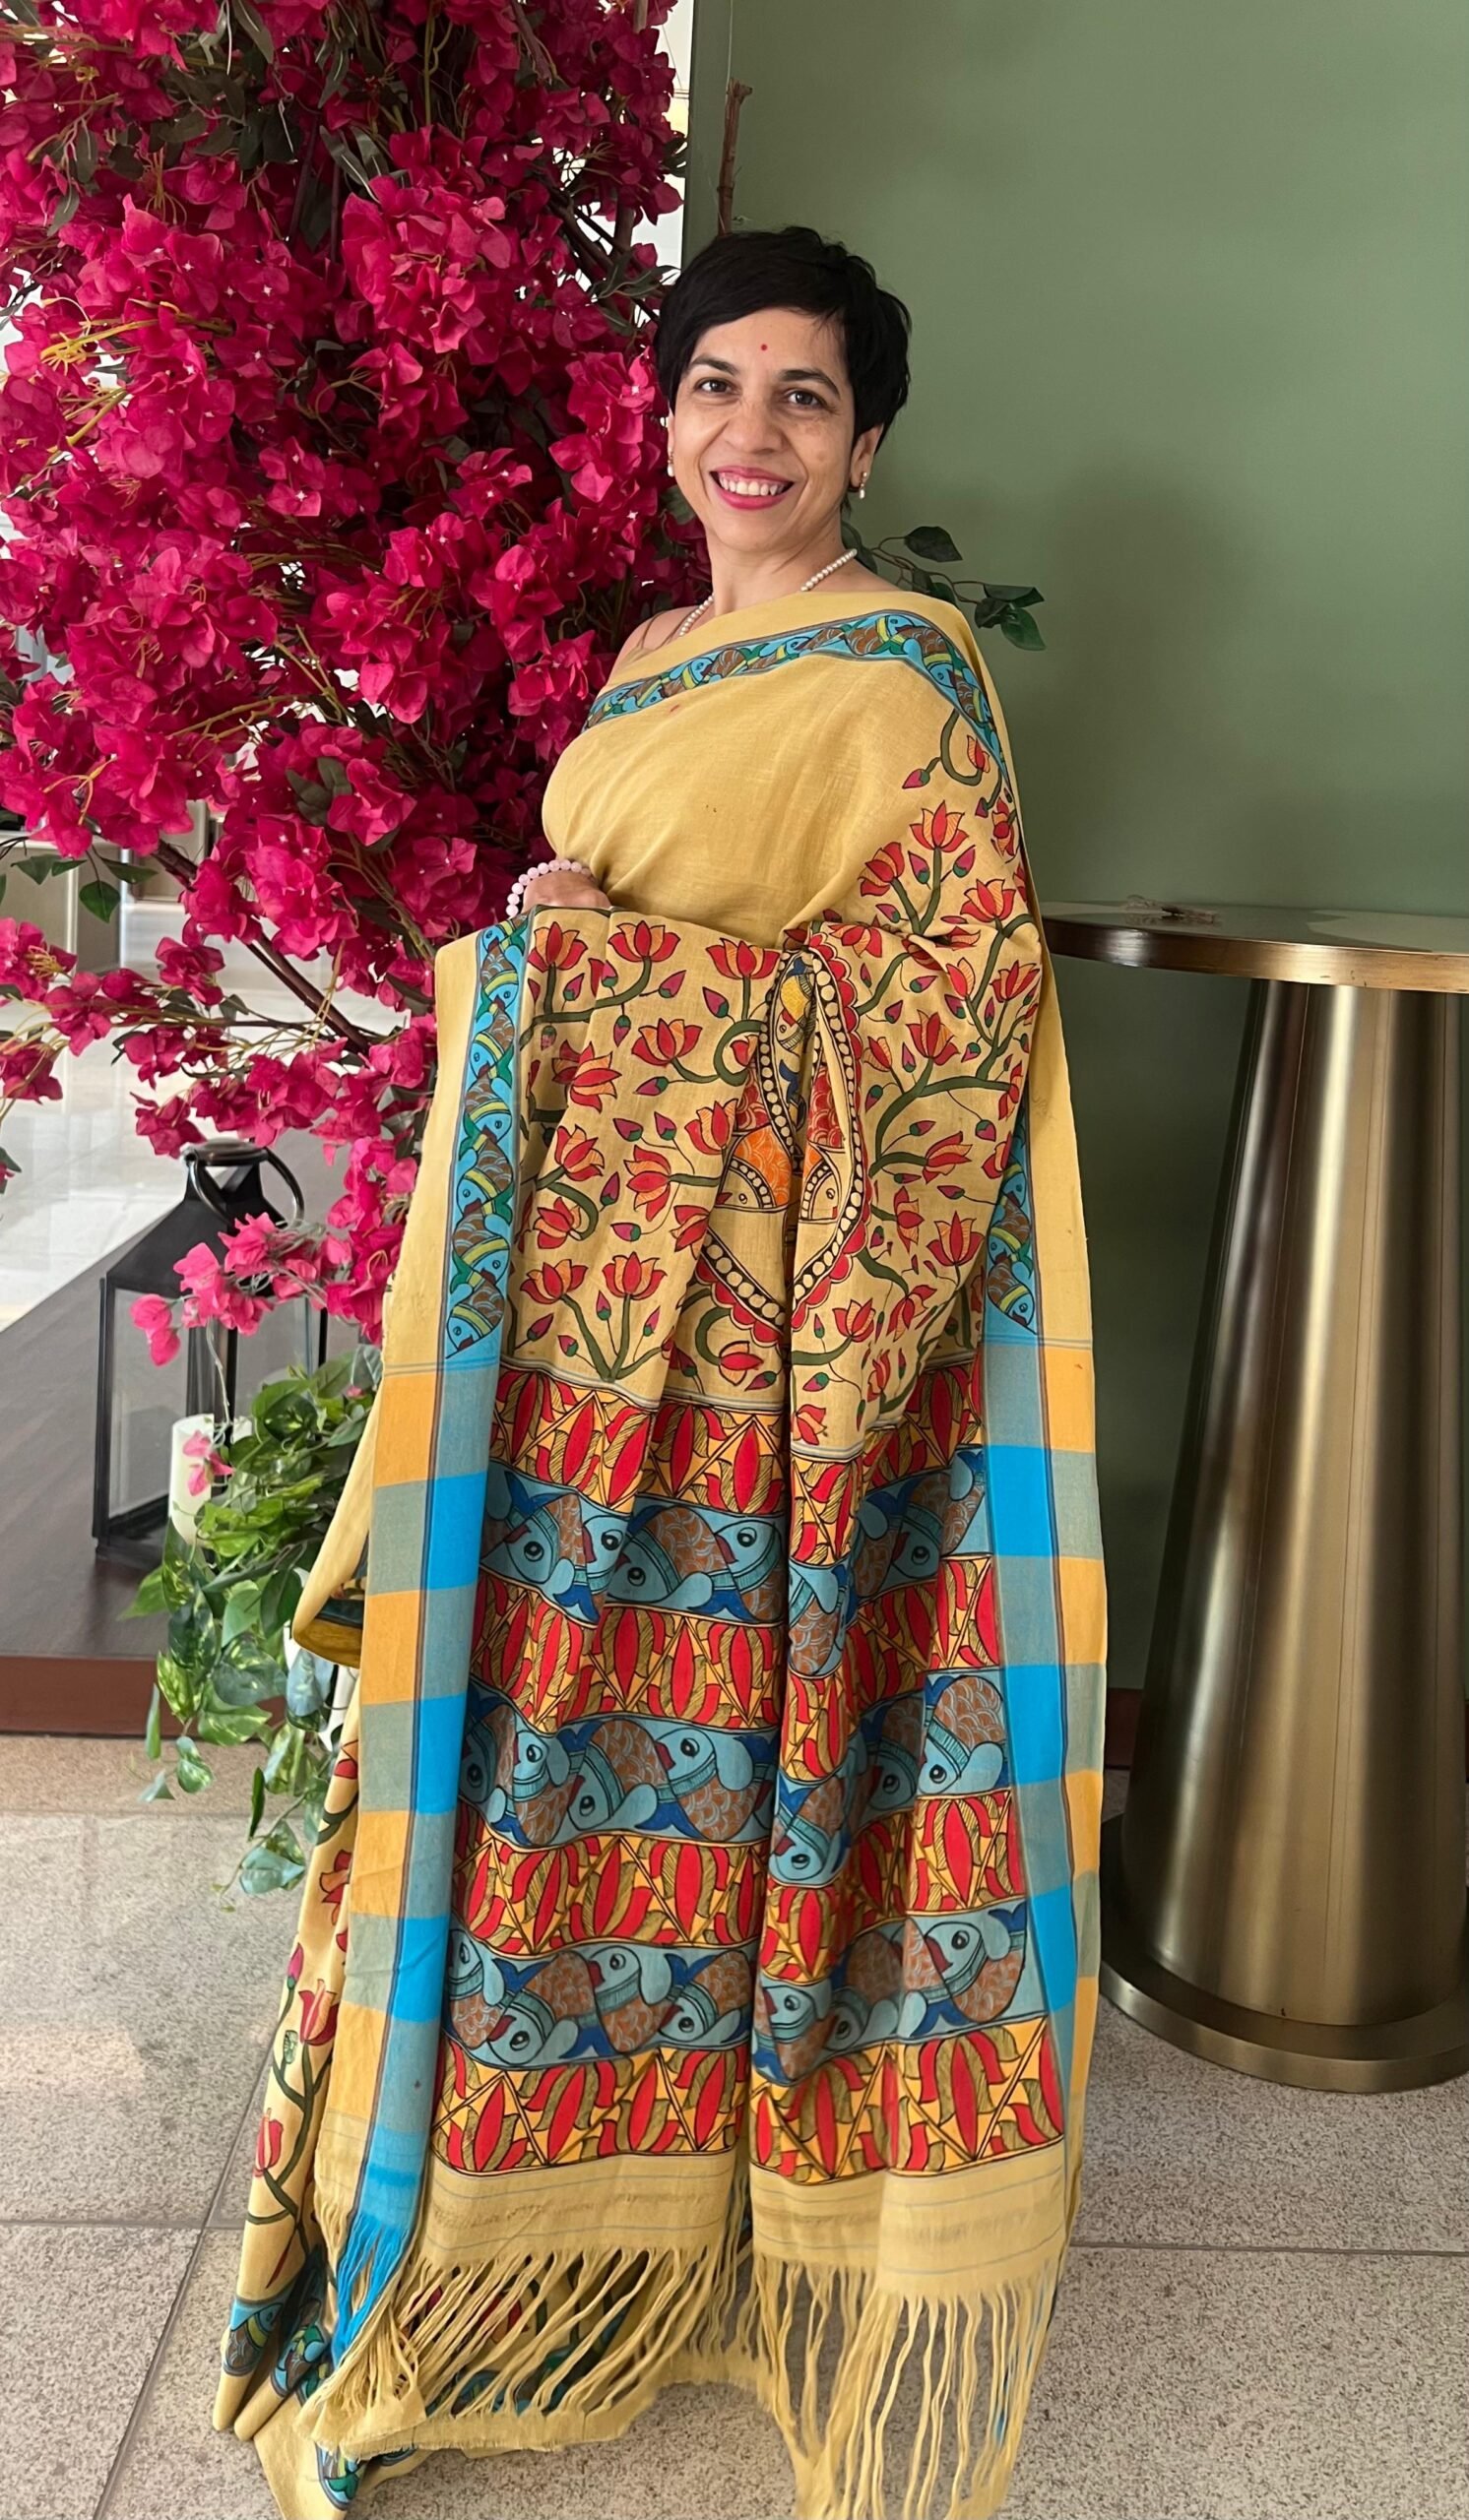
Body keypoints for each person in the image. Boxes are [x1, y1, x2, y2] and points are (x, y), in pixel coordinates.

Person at [215, 223, 1106, 2520]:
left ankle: (695, 2253)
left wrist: (596, 979)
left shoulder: (900, 678)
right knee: (525, 1772)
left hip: (748, 1365)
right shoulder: (643, 656)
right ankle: (490, 2267)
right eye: (714, 383)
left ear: (865, 441)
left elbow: (943, 1025)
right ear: (664, 416)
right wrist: (553, 946)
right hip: (571, 1326)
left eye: (801, 395)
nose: (750, 431)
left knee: (701, 1777)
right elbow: (631, 923)